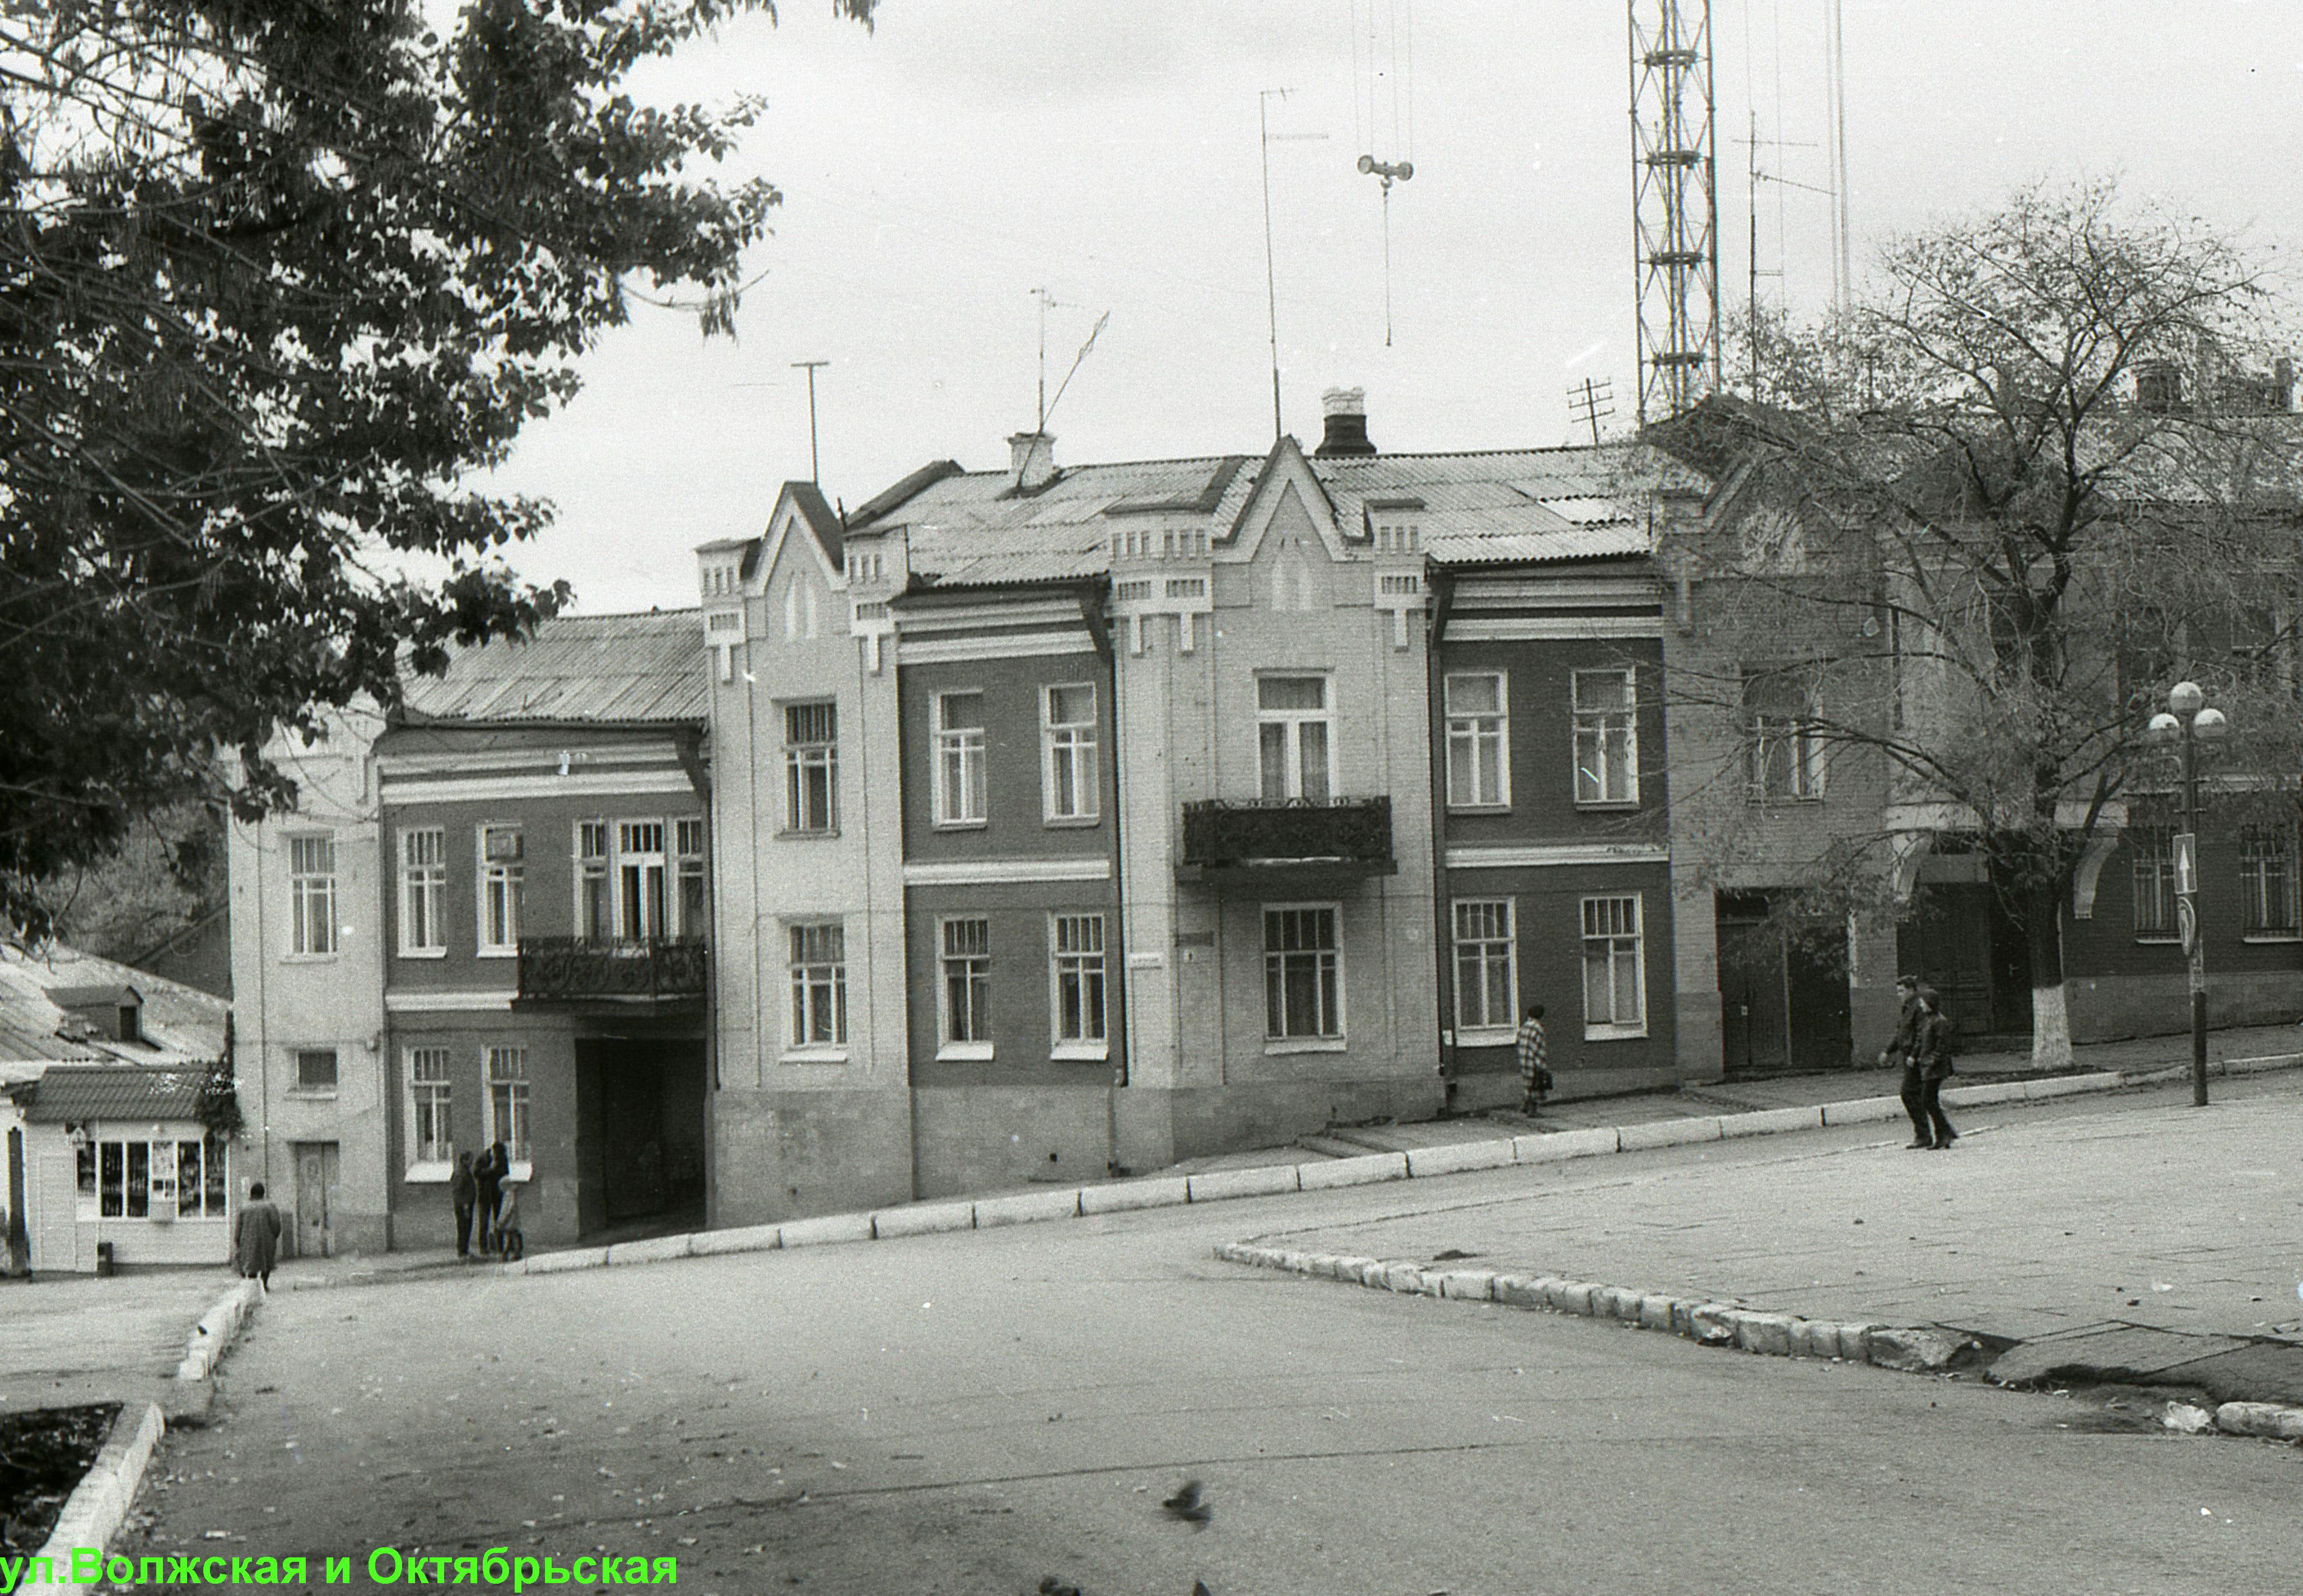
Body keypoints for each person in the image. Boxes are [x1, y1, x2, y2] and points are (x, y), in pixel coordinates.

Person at [1909, 989, 1959, 1150]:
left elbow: (1942, 1046)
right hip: (1927, 1066)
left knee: (1928, 1100)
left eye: (1924, 1002)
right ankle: (1946, 1133)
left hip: (1936, 1068)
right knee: (1929, 1101)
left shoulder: (1940, 1022)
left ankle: (1944, 1133)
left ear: (1931, 1003)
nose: (1922, 1005)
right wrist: (1915, 1056)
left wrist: (1932, 1061)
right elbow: (1920, 1040)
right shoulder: (1928, 1020)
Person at [234, 1180, 283, 1290]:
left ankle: (253, 1285)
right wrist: (274, 1236)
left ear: (251, 1194)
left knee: (251, 1264)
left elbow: (238, 1227)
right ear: (263, 1194)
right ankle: (264, 1284)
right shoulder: (270, 1207)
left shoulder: (244, 1207)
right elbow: (276, 1225)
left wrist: (237, 1241)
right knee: (266, 1263)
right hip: (267, 1241)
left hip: (248, 1241)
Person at [1516, 1003, 1551, 1115]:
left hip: (1523, 1060)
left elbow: (1518, 1042)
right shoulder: (1538, 1029)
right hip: (1533, 1061)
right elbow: (1539, 1049)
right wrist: (1542, 1066)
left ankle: (1524, 1106)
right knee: (1536, 1086)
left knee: (1527, 1084)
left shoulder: (1524, 1027)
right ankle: (1532, 1110)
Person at [473, 1141, 505, 1252]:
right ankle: (483, 1247)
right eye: (497, 1154)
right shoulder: (483, 1159)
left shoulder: (502, 1159)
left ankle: (500, 1246)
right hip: (484, 1195)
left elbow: (505, 1174)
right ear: (493, 1152)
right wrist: (490, 1170)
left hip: (497, 1194)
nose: (498, 1156)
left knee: (499, 1220)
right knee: (484, 1221)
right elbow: (476, 1173)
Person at [450, 1151, 478, 1259]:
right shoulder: (460, 1173)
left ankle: (464, 1250)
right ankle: (462, 1251)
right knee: (463, 1227)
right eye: (470, 1160)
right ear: (464, 1160)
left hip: (465, 1205)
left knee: (466, 1227)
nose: (472, 1162)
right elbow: (458, 1191)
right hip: (463, 1206)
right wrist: (465, 1205)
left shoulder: (464, 1171)